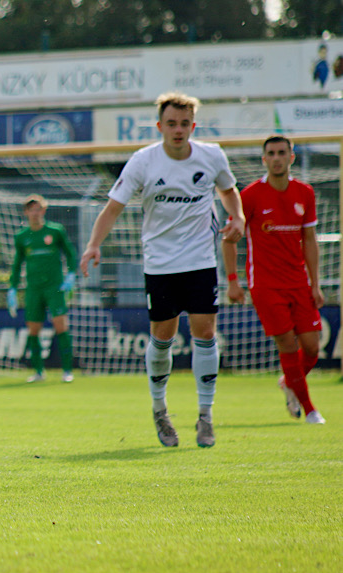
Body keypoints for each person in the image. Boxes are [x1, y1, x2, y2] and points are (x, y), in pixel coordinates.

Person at [80, 91, 245, 448]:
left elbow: (229, 190)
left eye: (184, 124)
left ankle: (206, 415)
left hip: (201, 260)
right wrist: (94, 244)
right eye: (171, 123)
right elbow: (112, 208)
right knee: (163, 338)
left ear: (193, 126)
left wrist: (238, 215)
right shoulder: (143, 162)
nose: (178, 130)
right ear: (160, 126)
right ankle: (160, 410)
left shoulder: (211, 155)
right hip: (161, 263)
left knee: (205, 333)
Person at [222, 136, 326, 425]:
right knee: (287, 344)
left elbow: (309, 240)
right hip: (265, 285)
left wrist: (315, 284)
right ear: (263, 159)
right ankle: (309, 409)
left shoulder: (304, 193)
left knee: (312, 348)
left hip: (298, 282)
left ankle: (289, 383)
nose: (277, 158)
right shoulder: (251, 195)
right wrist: (232, 281)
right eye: (271, 153)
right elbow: (228, 240)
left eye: (282, 152)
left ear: (292, 157)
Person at [7, 194, 78, 383]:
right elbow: (17, 264)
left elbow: (71, 254)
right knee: (33, 329)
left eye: (38, 209)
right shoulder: (22, 237)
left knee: (60, 324)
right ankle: (39, 372)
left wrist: (71, 275)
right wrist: (12, 288)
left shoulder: (55, 231)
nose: (35, 213)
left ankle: (67, 371)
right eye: (31, 209)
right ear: (26, 212)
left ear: (44, 210)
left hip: (55, 287)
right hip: (33, 289)